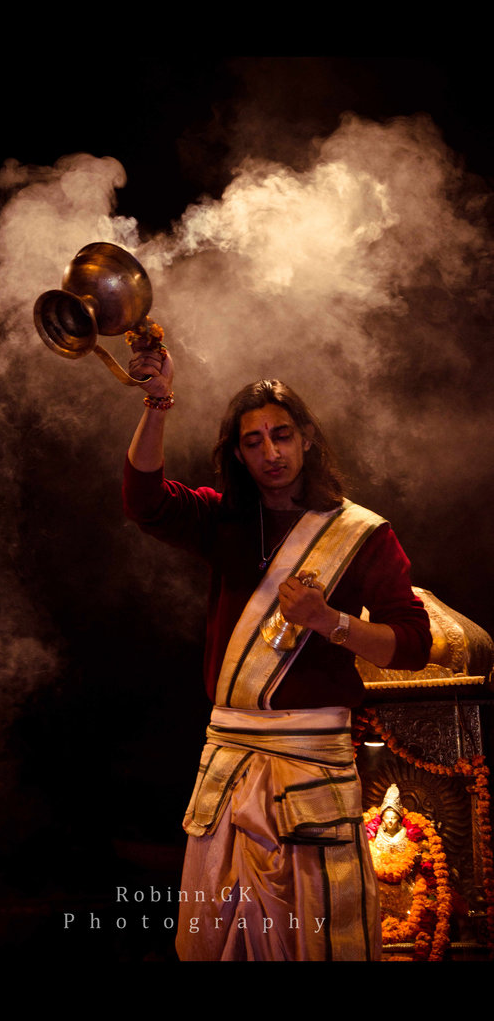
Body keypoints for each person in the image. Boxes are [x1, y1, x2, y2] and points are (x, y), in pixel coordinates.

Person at [122, 338, 432, 962]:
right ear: (237, 454)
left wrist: (331, 622)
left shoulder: (363, 534)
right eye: (254, 441)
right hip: (229, 767)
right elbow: (145, 501)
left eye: (282, 435)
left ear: (308, 438)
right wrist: (158, 402)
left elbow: (414, 646)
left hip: (312, 768)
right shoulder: (224, 520)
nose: (271, 452)